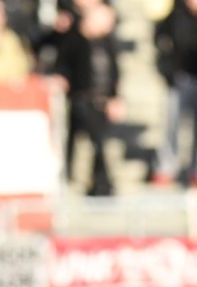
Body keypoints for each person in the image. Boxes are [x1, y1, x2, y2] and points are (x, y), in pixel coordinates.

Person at [52, 0, 120, 195]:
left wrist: (115, 97)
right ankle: (95, 181)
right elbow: (62, 65)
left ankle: (101, 182)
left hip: (102, 100)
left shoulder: (106, 44)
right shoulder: (74, 40)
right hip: (82, 99)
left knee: (100, 142)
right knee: (88, 140)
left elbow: (114, 73)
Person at [152, 0, 197, 185]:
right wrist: (167, 70)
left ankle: (196, 171)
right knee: (171, 125)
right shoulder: (175, 16)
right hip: (178, 79)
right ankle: (166, 167)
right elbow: (160, 40)